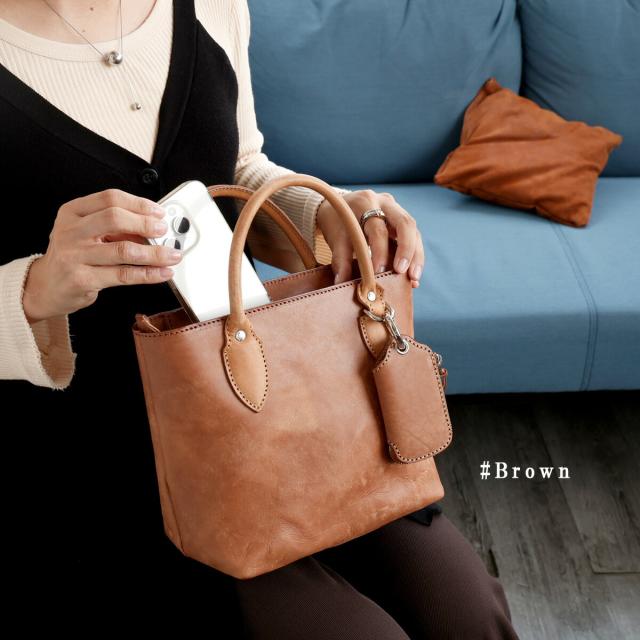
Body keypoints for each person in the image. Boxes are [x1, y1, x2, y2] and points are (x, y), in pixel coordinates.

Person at [0, 0, 518, 636]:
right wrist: (36, 288)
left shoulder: (213, 6)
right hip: (103, 452)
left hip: (273, 405)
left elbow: (241, 169)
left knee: (467, 608)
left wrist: (329, 214)